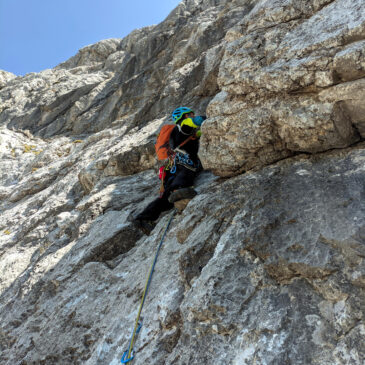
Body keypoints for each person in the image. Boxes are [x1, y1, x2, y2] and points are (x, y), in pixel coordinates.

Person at [134, 107, 206, 235]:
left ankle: (144, 218)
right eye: (190, 114)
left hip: (173, 170)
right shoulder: (182, 128)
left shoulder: (186, 133)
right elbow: (192, 122)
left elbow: (198, 134)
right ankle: (179, 190)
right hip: (183, 164)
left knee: (166, 200)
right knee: (185, 174)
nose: (192, 116)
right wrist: (207, 119)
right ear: (184, 116)